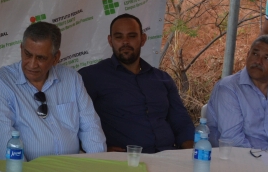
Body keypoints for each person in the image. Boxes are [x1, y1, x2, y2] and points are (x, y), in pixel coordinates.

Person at [0, 22, 105, 161]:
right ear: (21, 48)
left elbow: (91, 126)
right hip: (28, 168)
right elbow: (3, 140)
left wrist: (98, 163)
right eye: (27, 54)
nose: (32, 64)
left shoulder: (72, 78)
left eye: (41, 58)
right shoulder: (1, 81)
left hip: (70, 166)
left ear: (56, 58)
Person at [79, 13, 195, 153]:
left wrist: (190, 154)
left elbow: (181, 121)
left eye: (132, 36)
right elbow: (72, 123)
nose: (125, 42)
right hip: (124, 160)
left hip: (168, 155)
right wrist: (101, 151)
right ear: (110, 41)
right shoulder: (92, 76)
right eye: (119, 37)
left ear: (143, 39)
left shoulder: (162, 78)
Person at [206, 35, 268, 157]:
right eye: (255, 54)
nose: (258, 61)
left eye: (267, 58)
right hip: (241, 160)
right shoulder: (228, 88)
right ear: (247, 55)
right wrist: (267, 162)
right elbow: (233, 141)